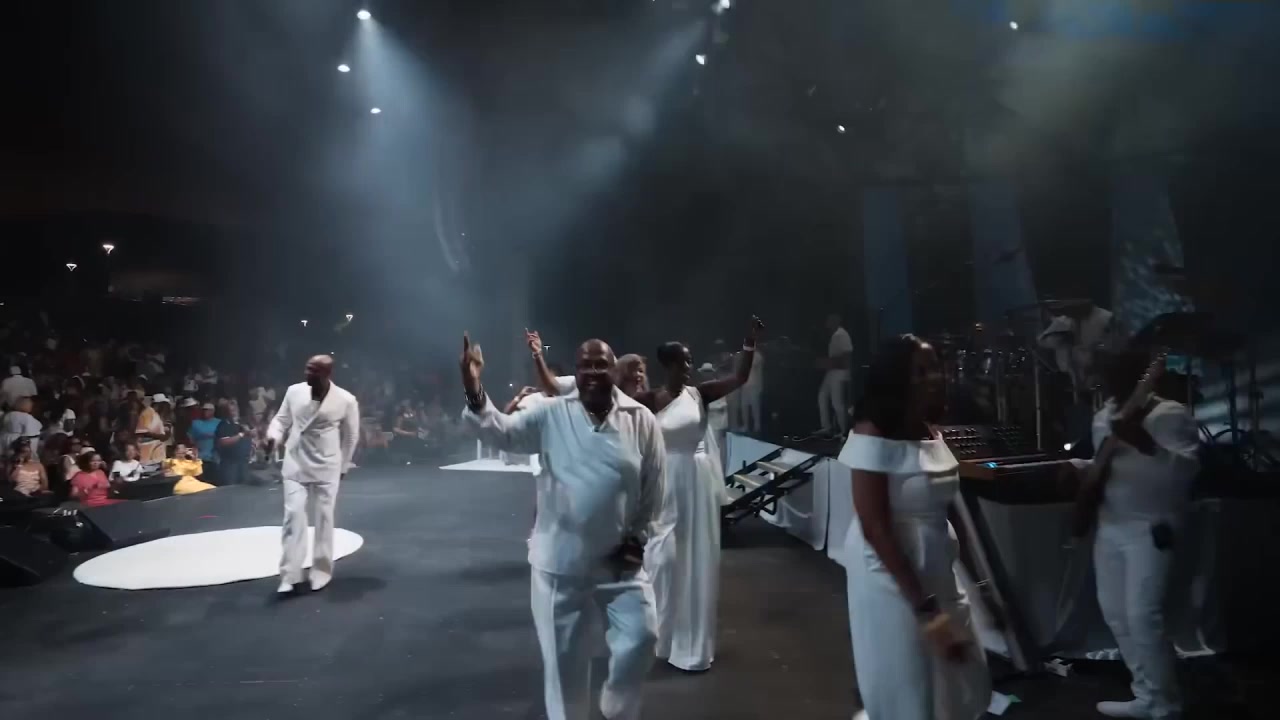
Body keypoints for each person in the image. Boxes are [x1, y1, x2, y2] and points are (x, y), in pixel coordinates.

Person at [460, 334, 665, 720]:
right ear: (576, 372)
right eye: (585, 365)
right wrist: (474, 389)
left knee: (642, 635)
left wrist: (638, 538)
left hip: (619, 561)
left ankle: (617, 704)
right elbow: (500, 431)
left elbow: (653, 486)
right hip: (560, 563)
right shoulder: (551, 413)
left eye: (601, 364)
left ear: (614, 369)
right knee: (564, 668)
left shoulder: (640, 419)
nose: (593, 372)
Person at [840, 334, 991, 720]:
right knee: (909, 681)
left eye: (935, 367)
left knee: (965, 676)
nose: (934, 377)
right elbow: (875, 525)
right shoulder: (873, 431)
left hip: (937, 559)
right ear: (896, 377)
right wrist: (925, 609)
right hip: (888, 567)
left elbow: (949, 506)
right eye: (920, 371)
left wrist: (980, 581)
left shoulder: (929, 427)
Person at [1070, 351, 1198, 720]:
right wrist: (1076, 468)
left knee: (1143, 616)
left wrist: (1147, 445)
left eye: (1117, 375)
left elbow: (1187, 472)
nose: (1110, 384)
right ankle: (1147, 695)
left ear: (1139, 376)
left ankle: (1166, 705)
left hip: (1151, 526)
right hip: (1110, 525)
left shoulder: (1169, 414)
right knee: (1116, 614)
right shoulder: (1103, 417)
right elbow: (1106, 465)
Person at [635, 319, 759, 673]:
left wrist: (749, 345)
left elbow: (740, 378)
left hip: (697, 480)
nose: (688, 366)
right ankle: (660, 636)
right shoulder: (649, 400)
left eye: (690, 360)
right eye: (683, 361)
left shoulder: (699, 394)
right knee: (663, 558)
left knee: (697, 556)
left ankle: (691, 643)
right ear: (669, 365)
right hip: (665, 481)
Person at [266, 354, 360, 593]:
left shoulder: (346, 400)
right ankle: (290, 574)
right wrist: (273, 437)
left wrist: (344, 465)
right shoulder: (294, 391)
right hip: (296, 462)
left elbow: (351, 436)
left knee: (324, 518)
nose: (307, 374)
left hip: (327, 465)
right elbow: (280, 420)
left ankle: (321, 571)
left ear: (327, 373)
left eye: (313, 370)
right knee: (293, 517)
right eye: (307, 369)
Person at [818, 313, 854, 437]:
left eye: (830, 320)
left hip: (840, 372)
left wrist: (830, 363)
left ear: (836, 321)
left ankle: (844, 431)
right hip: (832, 371)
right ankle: (826, 427)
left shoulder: (842, 335)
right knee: (822, 396)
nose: (827, 323)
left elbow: (847, 355)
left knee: (837, 402)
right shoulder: (835, 335)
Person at [214, 400, 252, 485]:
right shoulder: (223, 425)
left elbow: (253, 434)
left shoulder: (243, 422)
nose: (234, 411)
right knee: (231, 488)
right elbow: (224, 442)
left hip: (244, 462)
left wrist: (250, 433)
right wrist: (241, 434)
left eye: (235, 409)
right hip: (230, 464)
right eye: (231, 410)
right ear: (226, 412)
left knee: (245, 487)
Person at [731, 345, 764, 434]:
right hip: (743, 385)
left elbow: (760, 372)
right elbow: (736, 370)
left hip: (754, 385)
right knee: (744, 406)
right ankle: (745, 425)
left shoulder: (757, 356)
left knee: (755, 406)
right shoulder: (740, 356)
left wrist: (760, 386)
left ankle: (757, 426)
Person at [135, 394, 171, 468]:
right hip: (147, 451)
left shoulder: (156, 414)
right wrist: (159, 436)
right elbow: (142, 431)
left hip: (157, 450)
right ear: (158, 404)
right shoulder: (147, 412)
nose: (166, 407)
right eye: (164, 404)